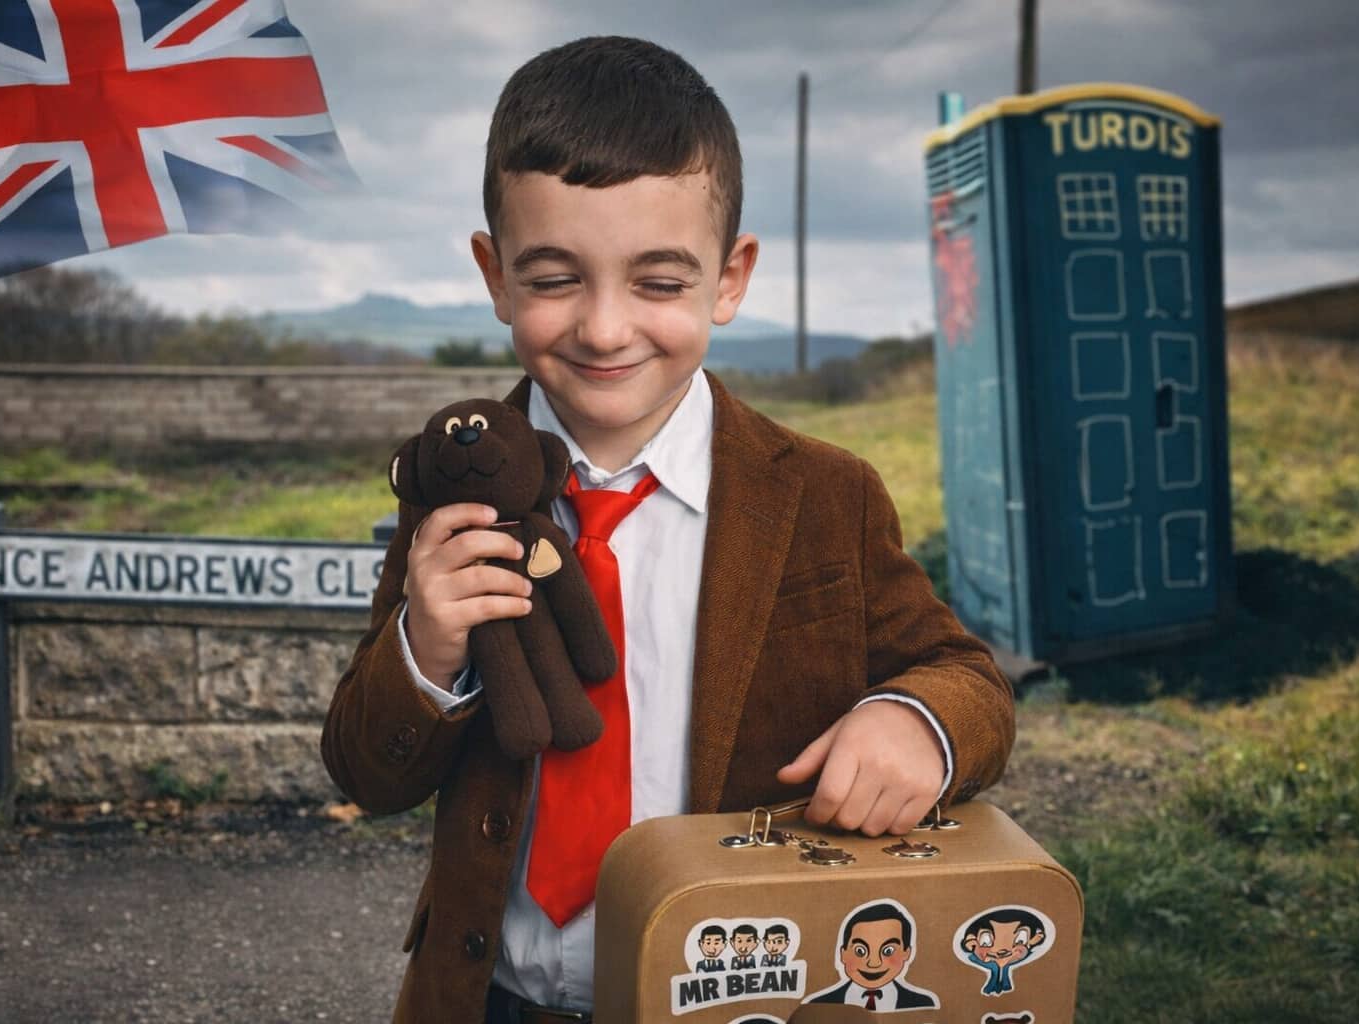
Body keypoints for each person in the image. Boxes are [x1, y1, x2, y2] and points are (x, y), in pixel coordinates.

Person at [320, 35, 1014, 1024]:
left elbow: (968, 677)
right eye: (554, 279)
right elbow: (365, 769)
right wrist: (426, 649)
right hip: (492, 999)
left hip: (734, 1001)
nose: (606, 329)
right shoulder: (451, 486)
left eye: (658, 282)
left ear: (730, 278)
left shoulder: (827, 496)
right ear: (495, 274)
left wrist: (919, 720)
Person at [805, 902, 938, 1010]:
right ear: (843, 953)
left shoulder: (922, 1005)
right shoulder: (817, 1006)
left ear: (906, 953)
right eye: (860, 951)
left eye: (888, 951)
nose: (874, 963)